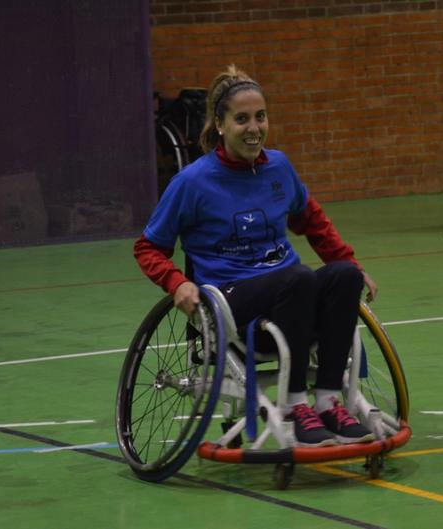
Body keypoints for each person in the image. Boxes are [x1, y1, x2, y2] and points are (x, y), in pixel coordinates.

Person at [134, 65, 379, 447]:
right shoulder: (193, 182)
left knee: (343, 276)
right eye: (242, 119)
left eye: (260, 117)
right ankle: (297, 405)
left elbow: (312, 220)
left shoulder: (278, 167)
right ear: (220, 124)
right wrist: (176, 282)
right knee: (298, 277)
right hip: (232, 299)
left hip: (289, 293)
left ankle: (329, 400)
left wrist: (351, 263)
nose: (254, 128)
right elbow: (148, 247)